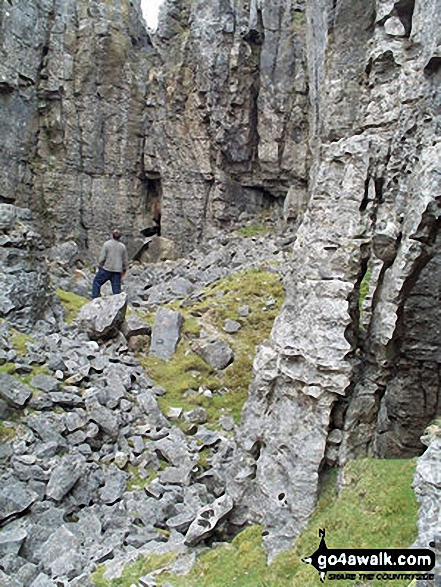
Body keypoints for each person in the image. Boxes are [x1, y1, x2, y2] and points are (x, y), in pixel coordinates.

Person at [92, 229, 128, 298]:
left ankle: (95, 298)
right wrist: (124, 270)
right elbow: (125, 260)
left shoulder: (107, 244)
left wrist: (100, 265)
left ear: (112, 235)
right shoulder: (122, 247)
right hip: (117, 271)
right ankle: (118, 305)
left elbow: (102, 258)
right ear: (120, 237)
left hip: (106, 269)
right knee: (116, 291)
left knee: (96, 282)